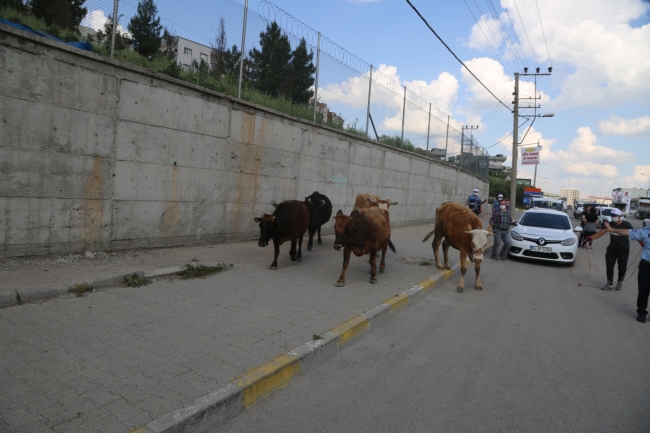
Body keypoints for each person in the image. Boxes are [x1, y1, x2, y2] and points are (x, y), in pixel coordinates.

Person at [603, 221, 650, 323]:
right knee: (643, 290)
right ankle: (641, 313)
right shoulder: (646, 231)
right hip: (646, 265)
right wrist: (612, 230)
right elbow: (626, 232)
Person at [586, 208, 634, 291]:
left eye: (615, 215)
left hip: (623, 249)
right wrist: (591, 237)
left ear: (620, 216)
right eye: (612, 215)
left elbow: (635, 233)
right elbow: (600, 233)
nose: (613, 217)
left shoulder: (626, 224)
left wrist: (642, 243)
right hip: (612, 248)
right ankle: (609, 284)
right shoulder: (609, 224)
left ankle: (619, 282)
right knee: (609, 266)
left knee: (622, 268)